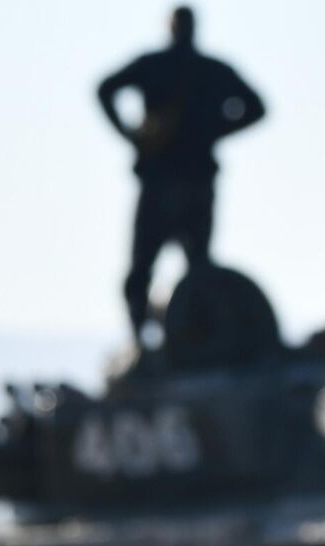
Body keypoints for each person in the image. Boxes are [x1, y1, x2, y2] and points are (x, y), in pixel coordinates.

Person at [97, 7, 266, 339]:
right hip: (181, 182)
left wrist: (215, 130)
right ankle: (148, 340)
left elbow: (257, 108)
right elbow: (104, 89)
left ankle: (176, 341)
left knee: (186, 272)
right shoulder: (205, 70)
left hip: (175, 184)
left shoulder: (172, 67)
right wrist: (131, 135)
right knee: (164, 271)